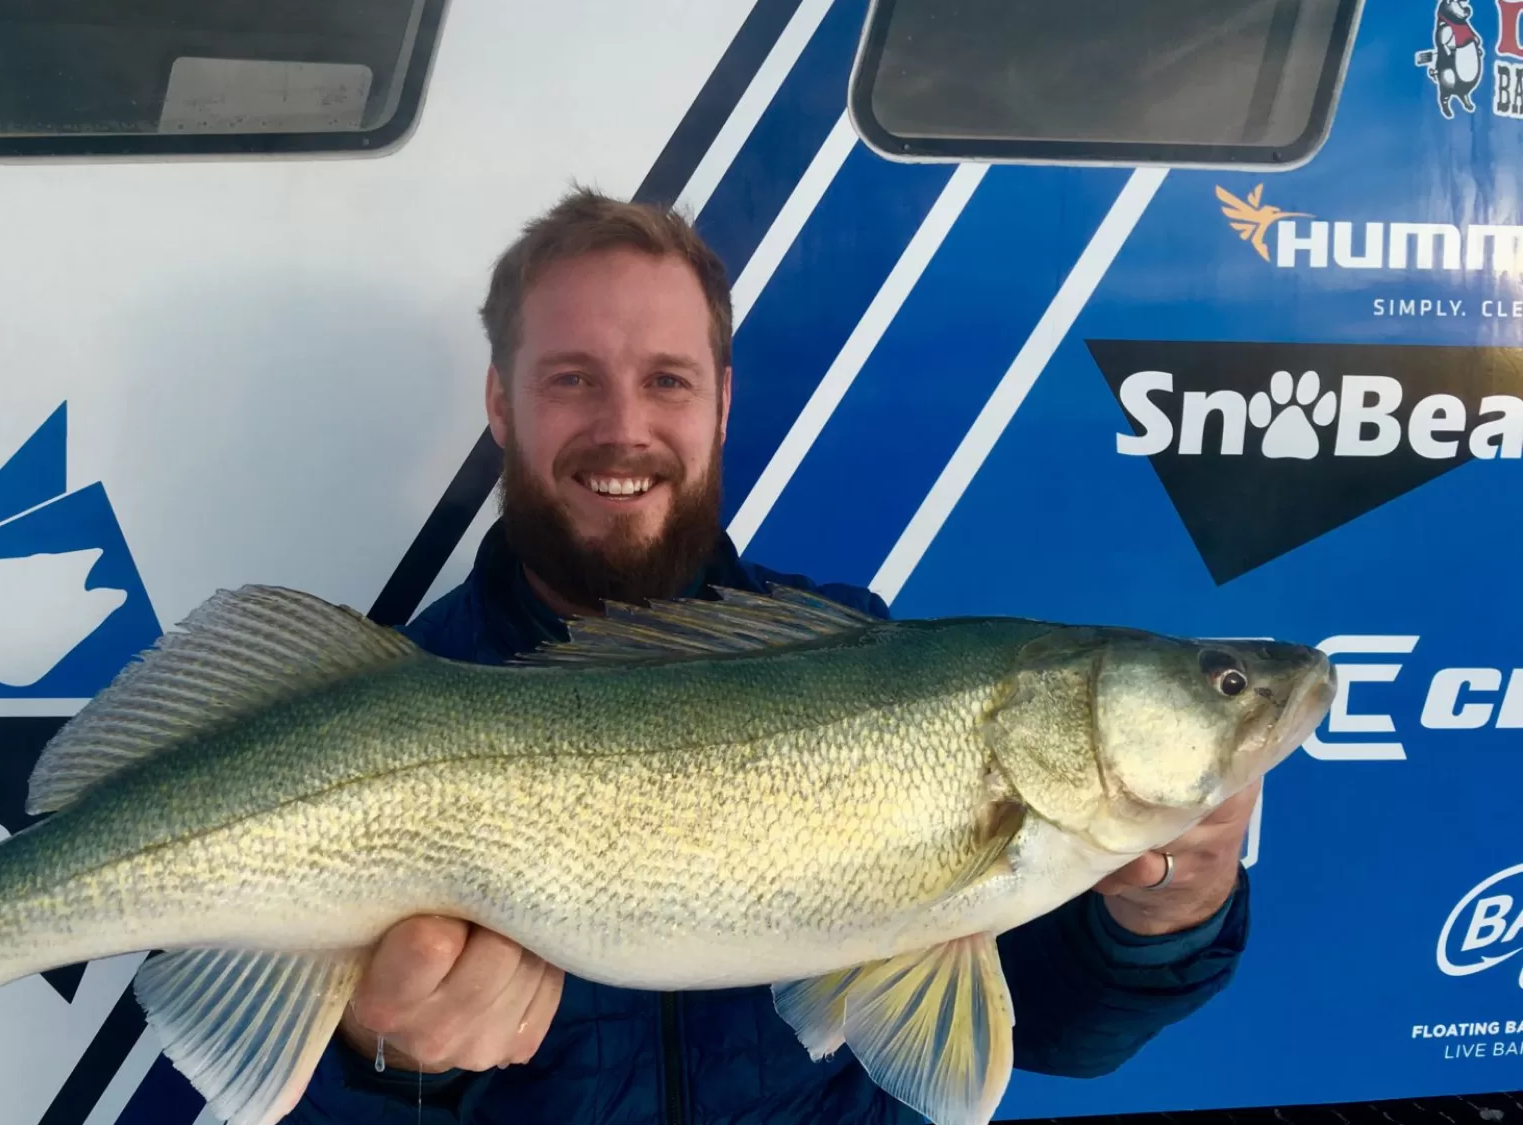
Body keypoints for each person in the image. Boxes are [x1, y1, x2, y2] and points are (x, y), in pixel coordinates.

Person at [287, 188, 1258, 1124]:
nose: (623, 426)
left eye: (665, 380)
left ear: (719, 405)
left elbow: (1056, 1032)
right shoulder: (376, 701)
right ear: (501, 403)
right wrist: (383, 1063)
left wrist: (1164, 920)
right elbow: (264, 1090)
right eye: (571, 378)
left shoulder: (861, 649)